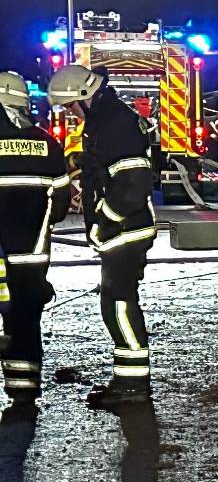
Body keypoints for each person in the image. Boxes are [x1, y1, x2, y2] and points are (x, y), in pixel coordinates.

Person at [47, 64, 155, 410]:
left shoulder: (112, 123)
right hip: (124, 228)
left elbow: (133, 184)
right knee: (116, 300)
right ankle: (128, 380)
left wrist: (105, 220)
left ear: (84, 96)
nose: (69, 113)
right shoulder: (108, 118)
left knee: (118, 302)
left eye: (69, 107)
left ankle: (133, 386)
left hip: (125, 230)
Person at [0, 72, 68, 411]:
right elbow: (61, 202)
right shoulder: (46, 142)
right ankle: (23, 391)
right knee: (25, 318)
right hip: (30, 255)